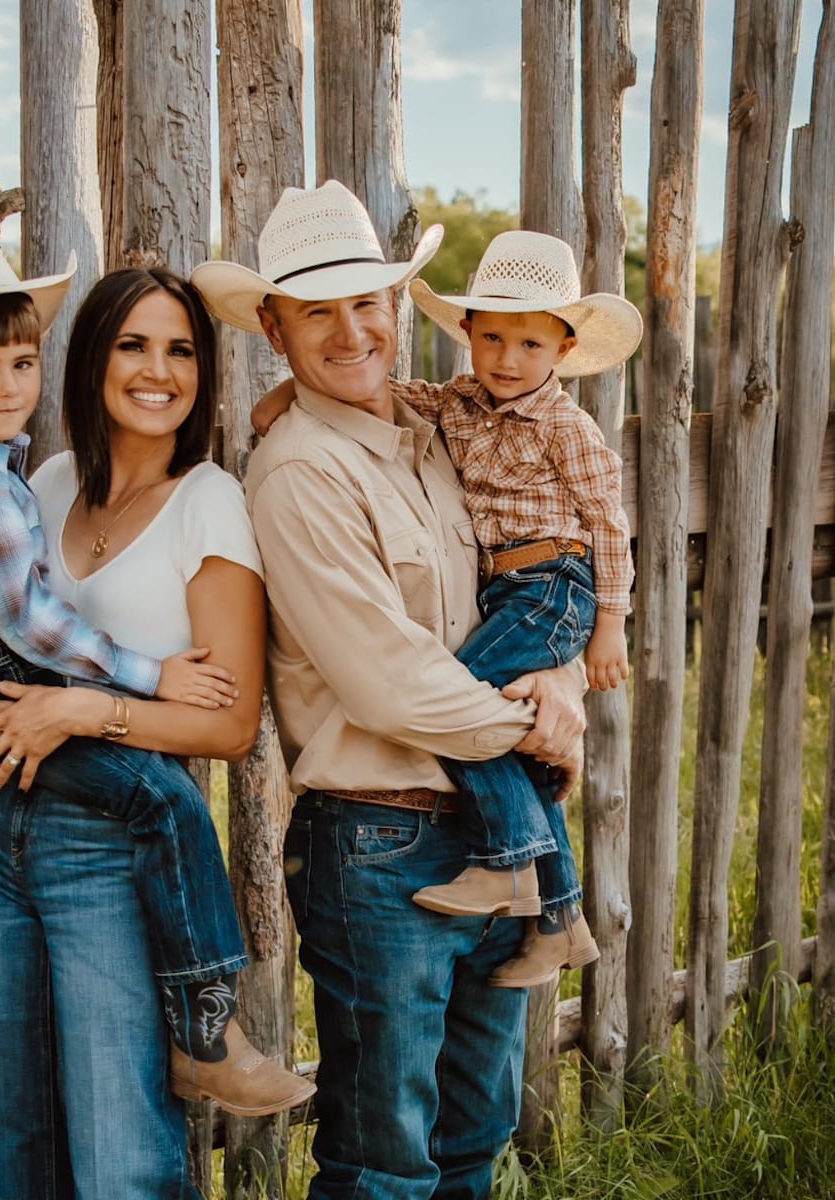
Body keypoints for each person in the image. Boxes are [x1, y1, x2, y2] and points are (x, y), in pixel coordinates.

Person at [0, 254, 313, 1198]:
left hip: (110, 847)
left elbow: (226, 727)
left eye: (181, 350)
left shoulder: (209, 504)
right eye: (134, 345)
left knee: (118, 1160)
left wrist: (85, 708)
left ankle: (211, 1030)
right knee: (7, 1138)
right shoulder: (47, 481)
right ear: (94, 360)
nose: (159, 370)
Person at [191, 179, 587, 1199]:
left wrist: (565, 680)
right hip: (382, 844)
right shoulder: (299, 470)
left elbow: (539, 573)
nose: (350, 328)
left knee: (473, 1135)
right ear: (274, 328)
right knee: (385, 1160)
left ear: (399, 307)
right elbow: (389, 684)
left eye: (367, 301)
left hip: (492, 833)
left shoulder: (447, 439)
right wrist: (533, 730)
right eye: (317, 309)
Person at [252, 228, 642, 988]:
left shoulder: (552, 428)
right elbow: (394, 690)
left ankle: (524, 881)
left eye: (530, 343)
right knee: (391, 1106)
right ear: (465, 334)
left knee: (482, 1107)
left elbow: (608, 525)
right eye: (491, 337)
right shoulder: (432, 420)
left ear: (562, 349)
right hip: (384, 825)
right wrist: (545, 730)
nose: (506, 358)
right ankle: (553, 907)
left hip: (551, 590)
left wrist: (593, 644)